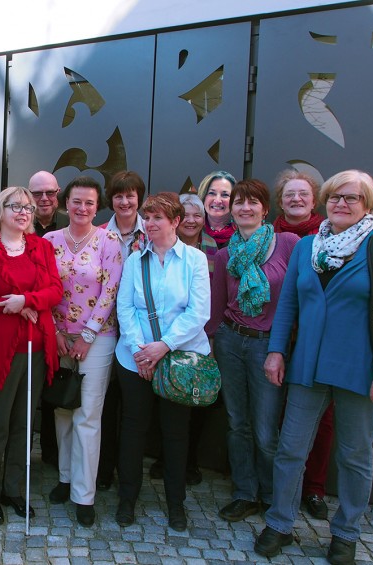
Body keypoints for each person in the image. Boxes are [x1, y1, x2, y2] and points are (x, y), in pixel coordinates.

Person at [254, 170, 373, 564]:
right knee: (291, 450)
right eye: (335, 197)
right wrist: (276, 351)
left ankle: (345, 532)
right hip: (307, 366)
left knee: (355, 456)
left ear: (367, 205)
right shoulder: (309, 247)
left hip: (361, 370)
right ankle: (279, 523)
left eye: (352, 198)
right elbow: (289, 304)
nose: (342, 204)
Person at [0, 186, 63, 525]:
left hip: (37, 347)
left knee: (24, 423)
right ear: (0, 211)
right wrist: (10, 306)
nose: (23, 212)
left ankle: (14, 488)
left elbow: (55, 290)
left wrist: (28, 301)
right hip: (2, 351)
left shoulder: (42, 247)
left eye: (29, 207)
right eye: (15, 205)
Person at [114, 192, 211, 532]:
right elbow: (125, 309)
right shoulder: (133, 261)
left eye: (158, 218)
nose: (150, 224)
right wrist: (141, 350)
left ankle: (176, 504)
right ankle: (127, 499)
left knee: (175, 434)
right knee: (133, 430)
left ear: (175, 221)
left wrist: (163, 347)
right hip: (134, 359)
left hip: (180, 360)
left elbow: (198, 312)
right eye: (147, 217)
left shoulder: (195, 261)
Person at [206, 179, 299, 523]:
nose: (245, 207)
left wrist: (284, 348)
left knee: (265, 429)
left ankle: (275, 497)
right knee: (237, 423)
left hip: (268, 345)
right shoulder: (226, 253)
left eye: (252, 202)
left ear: (265, 208)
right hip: (231, 341)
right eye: (239, 202)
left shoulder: (288, 244)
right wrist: (213, 343)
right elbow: (217, 306)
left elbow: (296, 300)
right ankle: (246, 492)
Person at [44, 176, 123, 526]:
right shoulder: (49, 241)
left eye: (89, 202)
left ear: (97, 206)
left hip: (98, 338)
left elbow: (110, 290)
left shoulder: (109, 241)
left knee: (87, 415)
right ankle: (64, 477)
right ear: (66, 203)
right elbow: (40, 287)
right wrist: (56, 332)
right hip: (58, 336)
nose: (82, 208)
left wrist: (87, 336)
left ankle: (84, 494)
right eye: (76, 201)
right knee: (62, 408)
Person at [271, 168, 331, 520]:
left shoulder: (330, 235)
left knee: (322, 420)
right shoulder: (267, 235)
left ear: (314, 199)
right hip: (276, 337)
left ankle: (315, 488)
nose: (296, 199)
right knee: (276, 415)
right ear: (280, 202)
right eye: (290, 194)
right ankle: (279, 488)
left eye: (303, 194)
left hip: (315, 341)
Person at [96, 170, 148, 491]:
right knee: (105, 402)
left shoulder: (152, 232)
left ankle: (129, 474)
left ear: (139, 197)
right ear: (111, 199)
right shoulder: (100, 233)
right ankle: (103, 470)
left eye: (130, 195)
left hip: (140, 335)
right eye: (119, 195)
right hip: (105, 328)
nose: (125, 201)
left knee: (133, 410)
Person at [172, 192, 222, 487]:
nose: (191, 221)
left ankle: (190, 461)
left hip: (203, 336)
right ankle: (169, 459)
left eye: (197, 215)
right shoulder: (160, 248)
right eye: (186, 215)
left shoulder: (213, 248)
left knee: (197, 399)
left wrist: (211, 338)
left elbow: (214, 299)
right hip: (169, 338)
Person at [27, 170, 69, 468]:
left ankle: (53, 457)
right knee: (27, 395)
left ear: (59, 193)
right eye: (37, 193)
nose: (44, 198)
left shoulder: (70, 223)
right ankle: (21, 459)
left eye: (49, 193)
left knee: (55, 392)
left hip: (63, 324)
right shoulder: (19, 223)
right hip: (26, 319)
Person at [196, 170, 237, 248]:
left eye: (225, 195)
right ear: (204, 196)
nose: (217, 201)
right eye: (212, 193)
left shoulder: (242, 231)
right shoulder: (192, 228)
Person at [29, 170, 69, 236]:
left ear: (58, 192)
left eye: (50, 192)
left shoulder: (71, 225)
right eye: (37, 193)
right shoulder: (20, 225)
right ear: (29, 194)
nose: (44, 198)